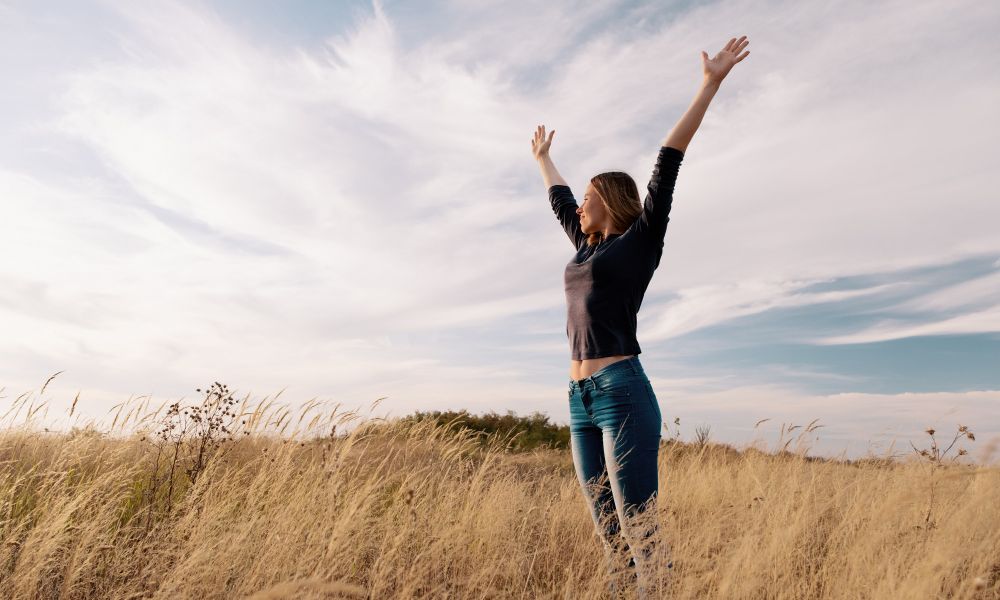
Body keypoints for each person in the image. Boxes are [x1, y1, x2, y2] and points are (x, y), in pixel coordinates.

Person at [531, 35, 750, 598]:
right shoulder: (584, 247)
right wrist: (544, 160)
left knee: (639, 530)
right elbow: (559, 202)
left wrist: (709, 85)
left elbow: (667, 164)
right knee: (608, 533)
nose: (578, 205)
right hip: (578, 397)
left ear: (609, 197)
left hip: (621, 391)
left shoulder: (640, 241)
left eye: (587, 195)